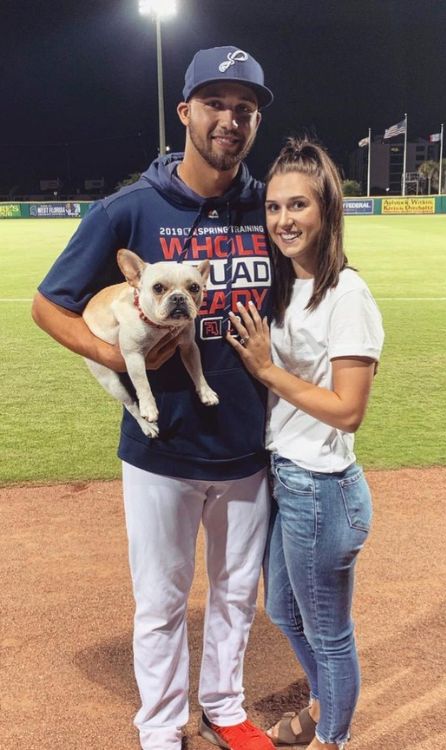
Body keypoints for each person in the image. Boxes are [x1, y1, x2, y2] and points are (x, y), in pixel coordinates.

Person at [32, 46, 276, 750]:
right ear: (186, 112)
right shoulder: (131, 208)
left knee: (235, 595)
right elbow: (50, 305)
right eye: (217, 104)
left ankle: (224, 707)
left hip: (248, 445)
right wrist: (111, 354)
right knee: (164, 601)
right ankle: (163, 727)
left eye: (246, 108)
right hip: (159, 449)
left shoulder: (269, 206)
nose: (231, 119)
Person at [226, 138, 384, 750]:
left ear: (327, 210)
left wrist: (269, 371)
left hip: (322, 490)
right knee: (283, 614)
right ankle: (324, 708)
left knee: (330, 634)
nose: (284, 220)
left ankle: (332, 738)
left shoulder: (348, 296)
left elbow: (348, 411)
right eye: (273, 207)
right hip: (288, 481)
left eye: (298, 205)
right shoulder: (286, 287)